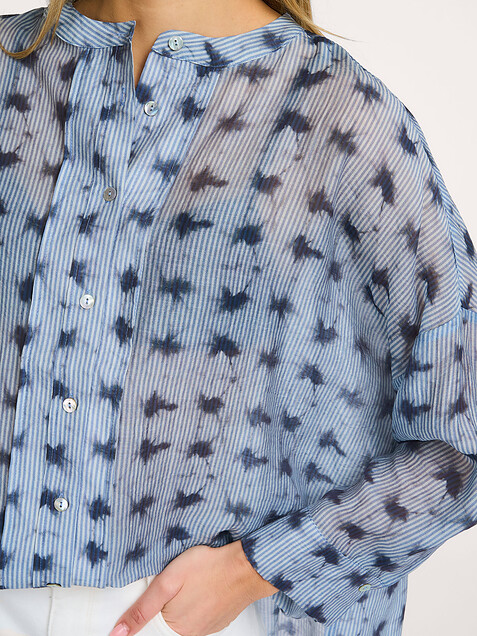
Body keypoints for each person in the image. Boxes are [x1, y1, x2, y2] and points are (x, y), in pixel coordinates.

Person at [0, 1, 476, 635]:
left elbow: (463, 433)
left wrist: (261, 568)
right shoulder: (10, 67)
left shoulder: (344, 115)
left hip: (204, 615)